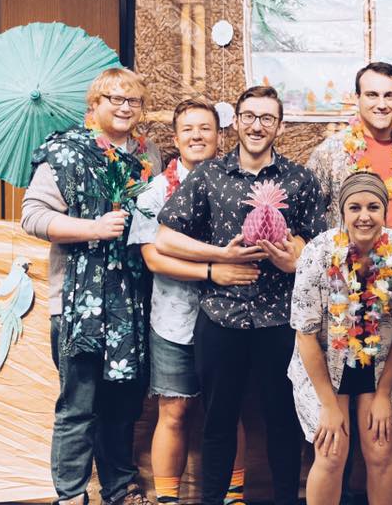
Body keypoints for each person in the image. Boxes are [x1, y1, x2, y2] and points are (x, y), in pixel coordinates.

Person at [155, 86, 326, 505]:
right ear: (236, 122)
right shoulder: (210, 176)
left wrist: (293, 259)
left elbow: (320, 246)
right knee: (218, 422)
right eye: (249, 116)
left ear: (280, 126)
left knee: (282, 421)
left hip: (279, 321)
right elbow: (164, 237)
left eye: (267, 118)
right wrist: (220, 256)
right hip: (221, 317)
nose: (257, 125)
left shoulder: (298, 179)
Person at [21, 67, 162, 505]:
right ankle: (71, 495)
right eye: (115, 99)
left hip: (133, 300)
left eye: (133, 100)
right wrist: (93, 228)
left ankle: (119, 490)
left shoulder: (149, 154)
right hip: (76, 301)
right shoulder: (65, 152)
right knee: (78, 406)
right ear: (95, 104)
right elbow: (33, 216)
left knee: (122, 404)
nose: (124, 107)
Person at [126, 98, 255, 505]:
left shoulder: (240, 186)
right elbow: (153, 258)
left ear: (219, 136)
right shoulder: (154, 192)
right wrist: (214, 270)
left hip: (230, 315)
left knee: (228, 410)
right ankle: (168, 499)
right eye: (188, 129)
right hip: (174, 316)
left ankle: (233, 497)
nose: (197, 136)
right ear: (176, 137)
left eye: (205, 128)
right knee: (175, 411)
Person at [289, 172, 392, 505]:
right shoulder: (318, 252)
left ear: (384, 211)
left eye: (373, 207)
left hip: (378, 365)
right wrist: (329, 406)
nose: (364, 216)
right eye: (355, 207)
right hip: (325, 364)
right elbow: (305, 335)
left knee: (382, 448)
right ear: (342, 212)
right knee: (331, 451)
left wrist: (384, 393)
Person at [307, 62, 392, 234]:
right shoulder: (329, 153)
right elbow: (309, 216)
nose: (382, 104)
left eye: (390, 96)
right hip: (349, 251)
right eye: (372, 95)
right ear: (357, 98)